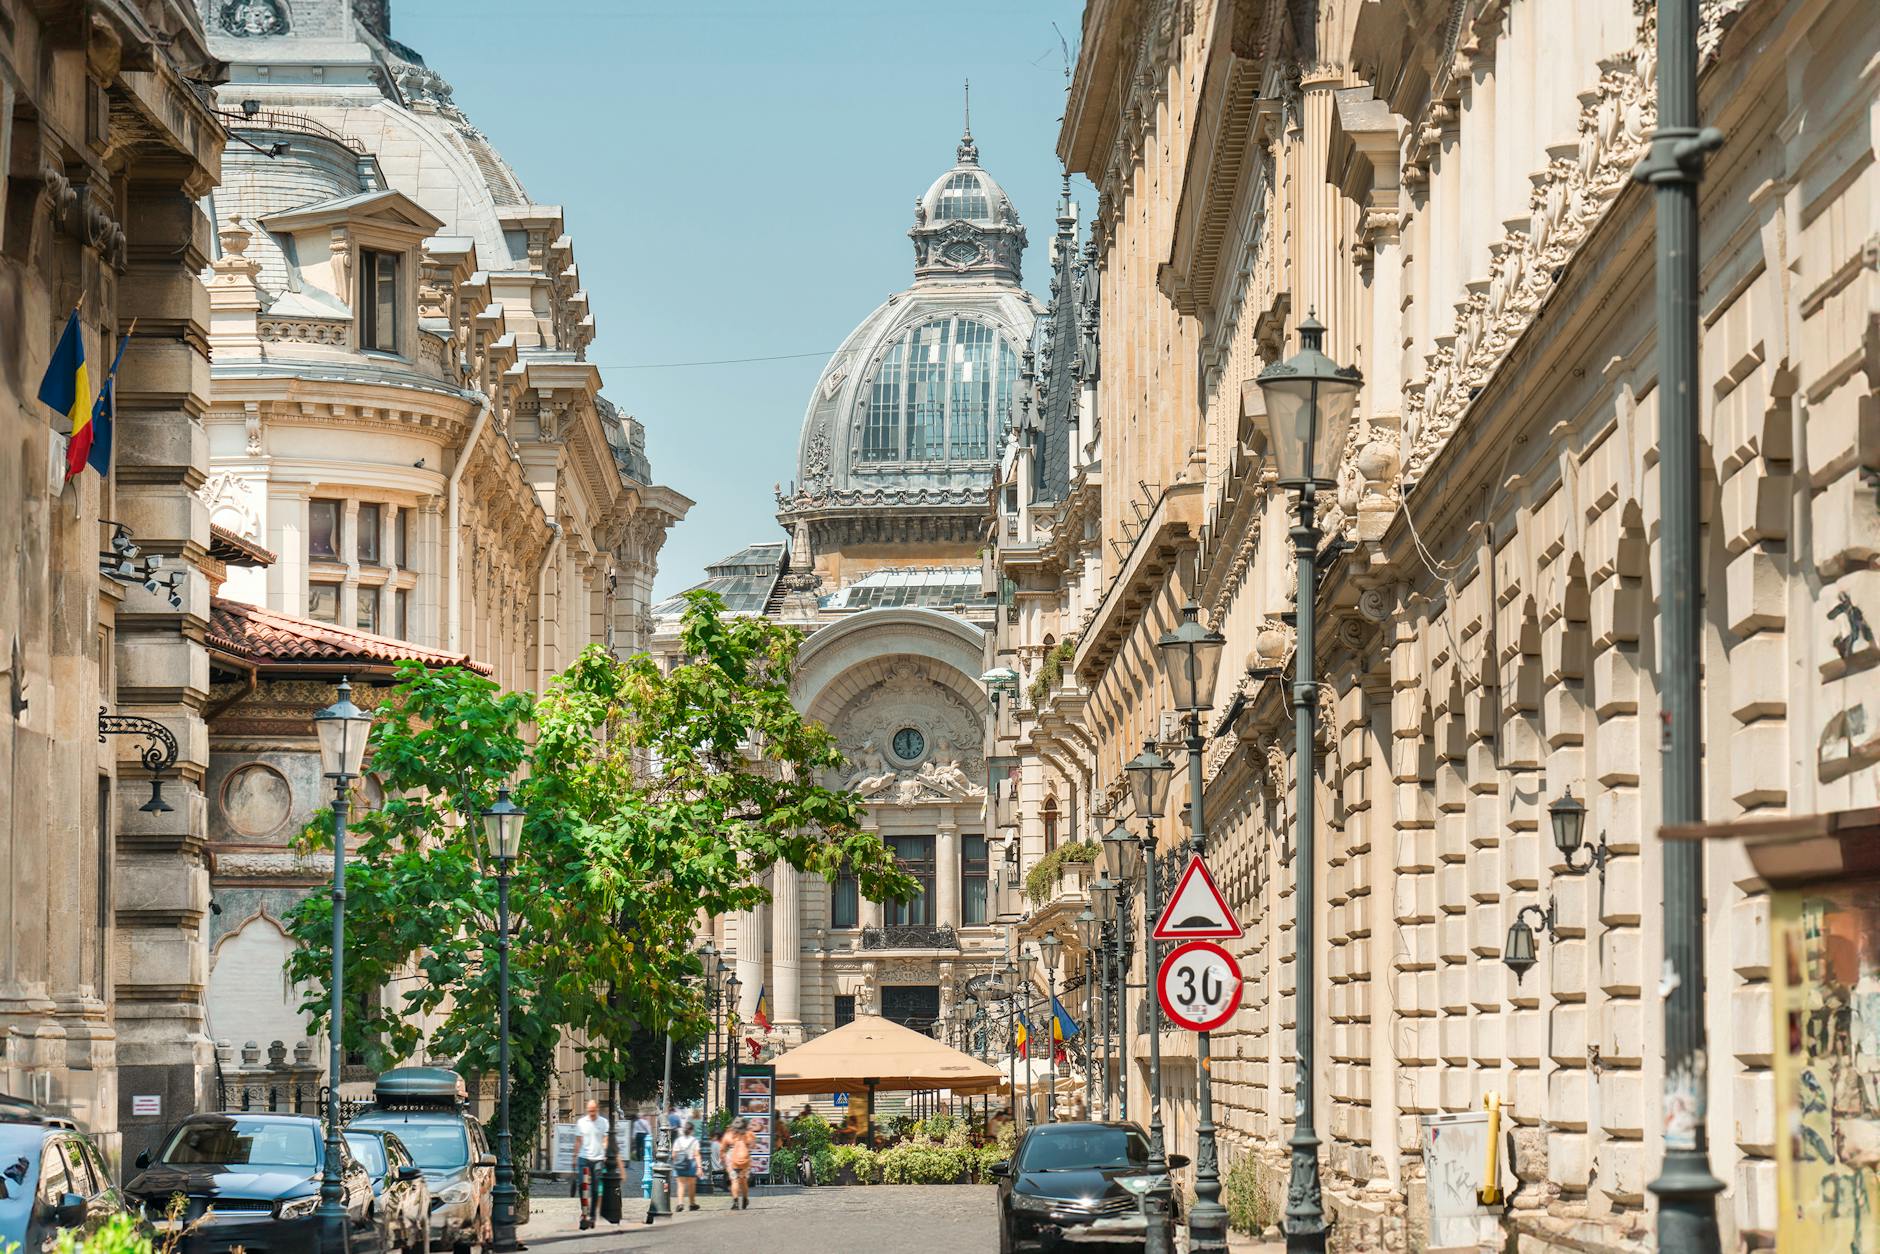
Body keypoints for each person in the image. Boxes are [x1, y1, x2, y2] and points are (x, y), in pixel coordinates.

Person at [575, 1098, 610, 1230]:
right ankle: (584, 1211)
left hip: (598, 1158)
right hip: (583, 1157)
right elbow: (578, 1141)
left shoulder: (603, 1122)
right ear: (587, 1110)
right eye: (590, 1111)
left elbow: (605, 1139)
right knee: (582, 1185)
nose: (592, 1113)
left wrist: (605, 1152)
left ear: (597, 1109)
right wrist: (574, 1157)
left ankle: (593, 1215)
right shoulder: (581, 1122)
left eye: (594, 1111)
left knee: (595, 1188)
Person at [719, 1116, 755, 1210]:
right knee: (743, 1181)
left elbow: (722, 1149)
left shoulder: (729, 1135)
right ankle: (745, 1199)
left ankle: (735, 1202)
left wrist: (723, 1159)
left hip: (731, 1161)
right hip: (745, 1161)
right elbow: (752, 1146)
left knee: (734, 1181)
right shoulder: (749, 1134)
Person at [670, 1119, 702, 1212]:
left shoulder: (678, 1140)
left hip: (679, 1165)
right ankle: (692, 1204)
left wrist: (676, 1163)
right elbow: (697, 1155)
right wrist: (699, 1167)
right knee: (691, 1185)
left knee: (680, 1185)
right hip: (691, 1164)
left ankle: (680, 1204)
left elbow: (673, 1155)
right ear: (692, 1130)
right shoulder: (694, 1141)